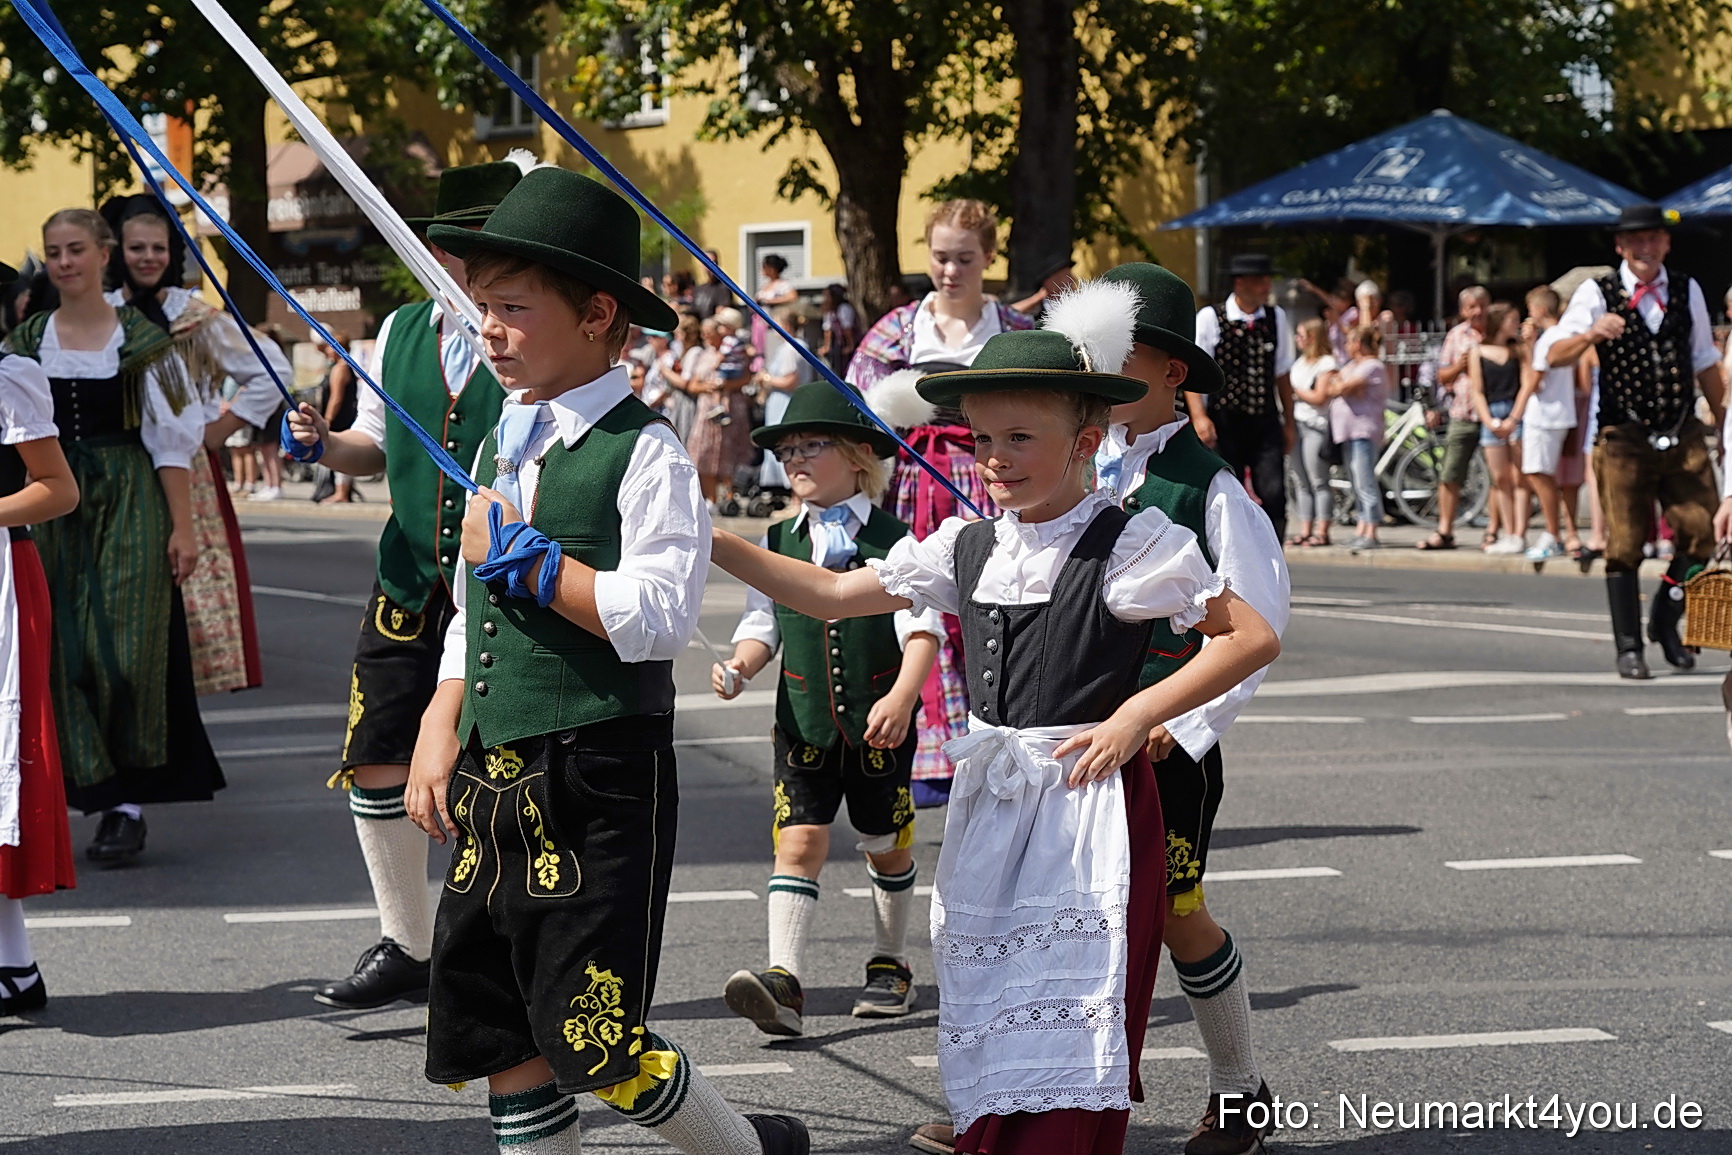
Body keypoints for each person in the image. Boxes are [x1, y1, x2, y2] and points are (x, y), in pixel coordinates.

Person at [712, 326, 1280, 1155]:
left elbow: (1250, 636)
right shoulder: (969, 544)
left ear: (1085, 441)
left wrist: (1136, 713)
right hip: (996, 805)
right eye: (982, 439)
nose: (995, 458)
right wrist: (712, 540)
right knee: (992, 991)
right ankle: (993, 1125)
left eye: (1020, 437)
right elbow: (832, 592)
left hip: (1091, 812)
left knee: (1073, 1006)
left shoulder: (1129, 541)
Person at [401, 166, 808, 1155]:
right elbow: (472, 607)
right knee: (497, 1019)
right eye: (480, 308)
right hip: (498, 769)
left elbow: (661, 619)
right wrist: (439, 719)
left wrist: (540, 569)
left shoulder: (646, 450)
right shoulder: (508, 434)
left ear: (596, 317)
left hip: (595, 771)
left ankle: (746, 1150)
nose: (487, 330)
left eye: (509, 308)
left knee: (595, 1031)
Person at [1061, 264, 1289, 1155]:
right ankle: (1035, 1105)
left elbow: (1258, 625)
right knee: (1070, 914)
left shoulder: (1211, 487)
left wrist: (1180, 722)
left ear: (1171, 373)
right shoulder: (1075, 463)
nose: (1101, 374)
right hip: (1075, 732)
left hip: (1166, 750)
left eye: (1121, 359)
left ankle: (1241, 1087)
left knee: (1177, 908)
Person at [284, 159, 521, 1012]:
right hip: (406, 578)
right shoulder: (399, 331)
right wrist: (322, 443)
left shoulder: (525, 334)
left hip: (496, 588)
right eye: (449, 244)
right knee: (377, 754)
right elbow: (373, 449)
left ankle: (489, 946)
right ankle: (408, 941)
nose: (458, 259)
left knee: (489, 766)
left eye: (478, 242)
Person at [711, 382, 941, 1036]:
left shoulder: (899, 541)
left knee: (885, 847)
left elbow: (923, 629)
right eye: (788, 450)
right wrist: (739, 666)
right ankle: (783, 979)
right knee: (799, 841)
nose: (797, 460)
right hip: (803, 723)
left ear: (858, 454)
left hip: (878, 724)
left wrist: (902, 695)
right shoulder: (779, 537)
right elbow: (764, 622)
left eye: (813, 445)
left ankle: (891, 962)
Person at [4, 208, 220, 863]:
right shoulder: (24, 341)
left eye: (75, 249)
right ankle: (110, 803)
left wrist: (183, 526)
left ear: (104, 255)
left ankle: (133, 786)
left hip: (129, 494)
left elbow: (174, 440)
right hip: (52, 502)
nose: (64, 262)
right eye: (54, 252)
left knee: (127, 652)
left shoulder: (147, 338)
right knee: (64, 653)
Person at [849, 199, 1034, 807]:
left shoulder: (1013, 332)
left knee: (991, 606)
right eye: (940, 257)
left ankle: (991, 744)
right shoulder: (899, 329)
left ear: (988, 259)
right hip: (913, 480)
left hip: (990, 477)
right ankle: (926, 754)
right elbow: (858, 403)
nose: (950, 270)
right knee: (917, 608)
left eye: (964, 258)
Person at [100, 193, 289, 695]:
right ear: (116, 251)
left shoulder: (192, 318)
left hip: (186, 472)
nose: (148, 258)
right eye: (136, 247)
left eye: (158, 248)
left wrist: (222, 430)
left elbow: (274, 369)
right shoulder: (98, 315)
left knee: (184, 597)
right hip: (115, 472)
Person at [1543, 204, 1727, 679]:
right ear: (1620, 246)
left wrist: (1725, 426)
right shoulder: (1597, 291)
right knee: (1624, 542)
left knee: (1702, 532)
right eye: (1636, 240)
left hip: (1682, 428)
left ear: (1666, 244)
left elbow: (1704, 359)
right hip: (1623, 434)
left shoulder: (1688, 288)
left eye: (1654, 239)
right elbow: (1553, 354)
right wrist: (1590, 333)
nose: (1646, 248)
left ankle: (1665, 620)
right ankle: (1629, 647)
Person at [0, 283, 79, 1016]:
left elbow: (58, 489)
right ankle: (14, 965)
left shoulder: (8, 378)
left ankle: (15, 964)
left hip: (2, 576)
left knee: (3, 759)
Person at [1188, 253, 1296, 543]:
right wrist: (1200, 416)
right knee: (1226, 492)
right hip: (1226, 420)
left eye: (1266, 280)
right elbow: (1194, 373)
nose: (1266, 286)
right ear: (1240, 282)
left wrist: (1290, 423)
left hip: (1264, 419)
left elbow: (1282, 374)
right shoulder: (1211, 317)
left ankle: (1274, 555)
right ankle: (1228, 554)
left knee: (1274, 492)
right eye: (1260, 280)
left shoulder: (1276, 317)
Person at [1417, 286, 1491, 551]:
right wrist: (1460, 366)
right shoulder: (1456, 336)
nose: (1478, 311)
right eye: (1472, 306)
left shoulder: (1497, 334)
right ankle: (1445, 530)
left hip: (1494, 413)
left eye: (1482, 305)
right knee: (1450, 473)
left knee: (1499, 477)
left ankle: (1494, 531)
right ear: (1463, 310)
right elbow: (1442, 376)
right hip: (1464, 412)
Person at [1517, 286, 1576, 562]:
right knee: (1542, 474)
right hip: (1557, 413)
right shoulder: (1562, 336)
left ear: (1539, 310)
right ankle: (1556, 532)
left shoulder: (1550, 338)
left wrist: (1514, 415)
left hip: (1544, 415)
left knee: (1538, 474)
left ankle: (1553, 533)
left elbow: (1534, 380)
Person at [1468, 303, 1531, 556]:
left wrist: (1514, 418)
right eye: (1511, 319)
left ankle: (1520, 533)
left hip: (1516, 411)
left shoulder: (1519, 351)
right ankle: (1508, 530)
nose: (1515, 324)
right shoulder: (1478, 351)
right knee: (1500, 478)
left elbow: (1527, 384)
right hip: (1492, 412)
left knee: (1520, 477)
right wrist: (1489, 421)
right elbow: (1477, 390)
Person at [1330, 325, 1391, 551]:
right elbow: (1333, 386)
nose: (1346, 346)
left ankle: (1372, 529)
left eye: (1349, 341)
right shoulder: (1352, 366)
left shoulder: (1372, 366)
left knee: (1365, 480)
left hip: (1363, 431)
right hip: (1347, 431)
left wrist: (1343, 387)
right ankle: (1361, 528)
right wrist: (1342, 387)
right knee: (1356, 481)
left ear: (1357, 343)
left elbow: (1341, 387)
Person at [685, 315, 755, 504]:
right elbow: (692, 385)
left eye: (710, 333)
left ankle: (730, 497)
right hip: (708, 409)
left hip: (731, 405)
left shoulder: (733, 351)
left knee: (731, 451)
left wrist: (726, 386)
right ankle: (711, 499)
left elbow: (747, 378)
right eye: (704, 333)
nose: (706, 337)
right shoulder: (703, 355)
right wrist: (707, 387)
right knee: (705, 453)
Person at [1286, 317, 1338, 547]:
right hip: (1296, 423)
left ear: (1313, 337)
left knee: (1318, 480)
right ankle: (1305, 529)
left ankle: (1322, 530)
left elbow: (1319, 396)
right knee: (1300, 480)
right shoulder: (1299, 364)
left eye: (1300, 334)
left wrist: (1295, 391)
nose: (1297, 339)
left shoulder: (1326, 363)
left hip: (1315, 425)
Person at [317, 332, 358, 503]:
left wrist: (327, 418)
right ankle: (342, 491)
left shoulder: (340, 369)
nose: (326, 351)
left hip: (340, 417)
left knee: (339, 450)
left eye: (328, 347)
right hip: (346, 414)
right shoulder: (345, 366)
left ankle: (341, 492)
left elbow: (336, 396)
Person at [1008, 257, 1077, 316]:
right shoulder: (1033, 306)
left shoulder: (1075, 304)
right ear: (1049, 281)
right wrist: (1037, 298)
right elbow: (1007, 314)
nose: (1072, 280)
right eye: (1067, 277)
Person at [819, 283, 861, 374]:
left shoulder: (844, 308)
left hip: (851, 341)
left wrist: (850, 345)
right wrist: (827, 346)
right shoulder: (830, 311)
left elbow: (847, 329)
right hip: (839, 343)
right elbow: (827, 329)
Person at [692, 248, 735, 319]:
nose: (710, 266)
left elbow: (721, 313)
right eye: (707, 263)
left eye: (714, 263)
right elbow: (693, 309)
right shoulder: (698, 289)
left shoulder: (723, 288)